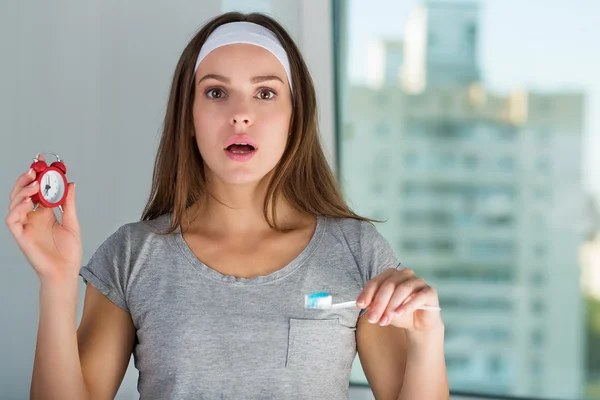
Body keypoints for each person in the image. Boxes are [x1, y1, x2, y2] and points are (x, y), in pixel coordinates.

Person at [5, 11, 448, 400]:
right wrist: (57, 283)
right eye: (216, 93)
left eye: (266, 93)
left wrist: (428, 342)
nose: (240, 114)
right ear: (190, 118)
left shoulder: (358, 253)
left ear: (296, 117)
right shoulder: (131, 257)